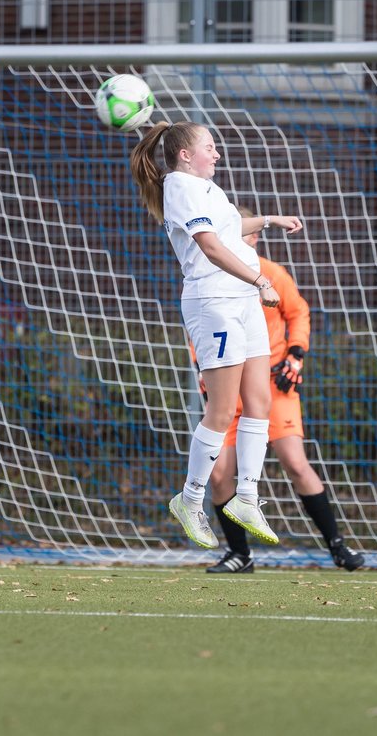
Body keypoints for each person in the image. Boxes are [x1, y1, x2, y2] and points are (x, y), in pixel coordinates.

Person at [129, 120, 302, 549]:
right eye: (210, 147)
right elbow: (210, 246)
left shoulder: (210, 190)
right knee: (223, 410)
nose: (217, 154)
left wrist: (270, 219)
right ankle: (189, 500)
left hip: (240, 299)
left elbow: (227, 231)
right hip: (215, 302)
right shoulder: (180, 187)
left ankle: (247, 496)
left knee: (258, 402)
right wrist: (259, 280)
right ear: (185, 155)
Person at [199, 211, 364, 573]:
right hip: (229, 390)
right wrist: (205, 375)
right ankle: (240, 554)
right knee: (218, 473)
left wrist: (296, 355)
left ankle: (337, 546)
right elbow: (201, 329)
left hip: (272, 384)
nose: (246, 239)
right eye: (238, 233)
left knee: (295, 462)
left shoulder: (271, 274)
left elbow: (299, 312)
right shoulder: (211, 277)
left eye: (251, 233)